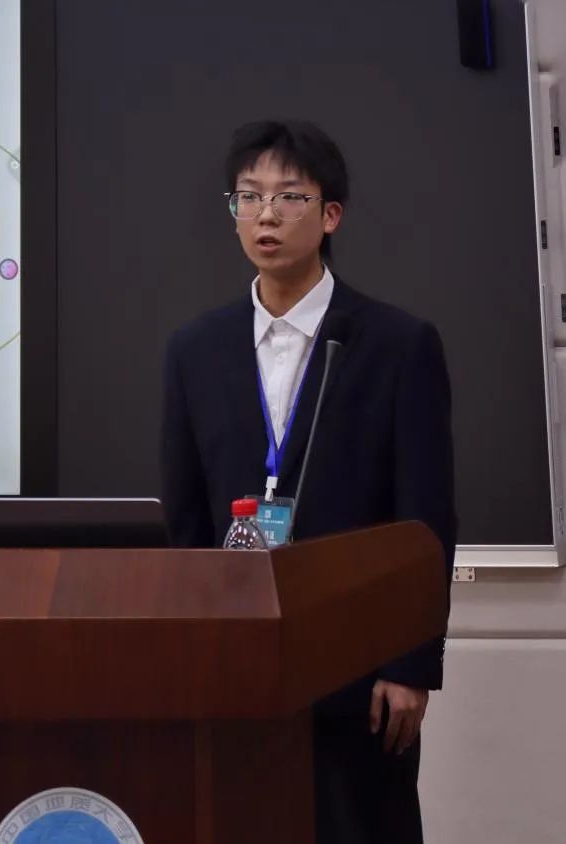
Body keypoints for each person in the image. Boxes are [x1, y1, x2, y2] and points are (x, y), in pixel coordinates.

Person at [161, 119, 456, 844]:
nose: (265, 214)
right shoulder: (195, 350)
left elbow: (425, 518)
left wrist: (411, 665)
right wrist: (190, 656)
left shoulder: (397, 345)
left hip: (361, 671)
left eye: (289, 196)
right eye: (249, 196)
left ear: (330, 216)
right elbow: (185, 520)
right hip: (234, 669)